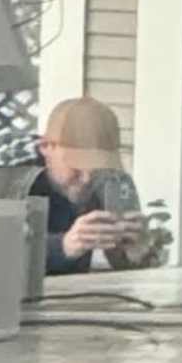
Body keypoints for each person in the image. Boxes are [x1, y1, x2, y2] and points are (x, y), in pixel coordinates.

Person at [34, 96, 151, 266]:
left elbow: (124, 267)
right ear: (45, 146)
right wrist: (62, 246)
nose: (87, 178)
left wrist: (134, 251)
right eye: (76, 166)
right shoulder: (15, 179)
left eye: (97, 166)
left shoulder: (112, 182)